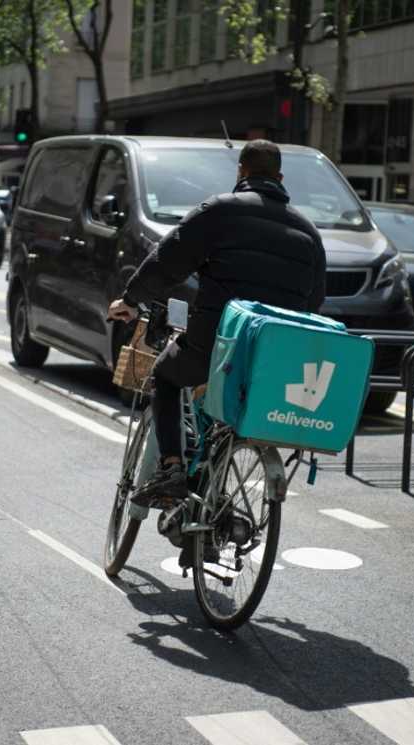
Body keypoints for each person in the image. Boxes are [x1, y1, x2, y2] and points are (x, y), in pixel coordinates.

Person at [107, 139, 326, 508]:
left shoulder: (219, 211)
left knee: (166, 375)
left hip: (219, 338)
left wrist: (129, 300)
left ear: (240, 171)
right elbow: (314, 300)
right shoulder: (309, 232)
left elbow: (168, 260)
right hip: (277, 351)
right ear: (280, 177)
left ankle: (172, 470)